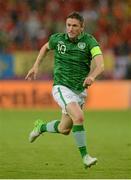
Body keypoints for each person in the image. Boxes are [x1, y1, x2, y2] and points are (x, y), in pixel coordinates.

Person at [25, 12, 104, 168]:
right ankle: (85, 157)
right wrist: (35, 66)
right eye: (68, 25)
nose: (70, 28)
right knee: (79, 117)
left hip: (79, 90)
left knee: (64, 129)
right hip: (62, 86)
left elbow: (100, 65)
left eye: (74, 25)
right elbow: (45, 47)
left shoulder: (90, 42)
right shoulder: (58, 39)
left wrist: (92, 76)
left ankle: (40, 127)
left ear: (82, 27)